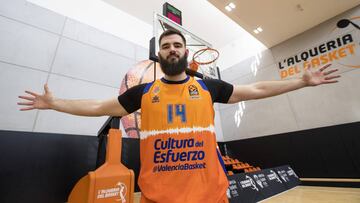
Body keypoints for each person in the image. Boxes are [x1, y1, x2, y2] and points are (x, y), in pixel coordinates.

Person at [18, 29, 340, 203]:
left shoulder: (208, 87)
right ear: (159, 54)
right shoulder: (143, 93)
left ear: (186, 52)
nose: (172, 49)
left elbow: (254, 89)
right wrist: (55, 103)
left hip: (210, 197)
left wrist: (300, 81)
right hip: (159, 199)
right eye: (167, 46)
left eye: (177, 45)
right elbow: (98, 107)